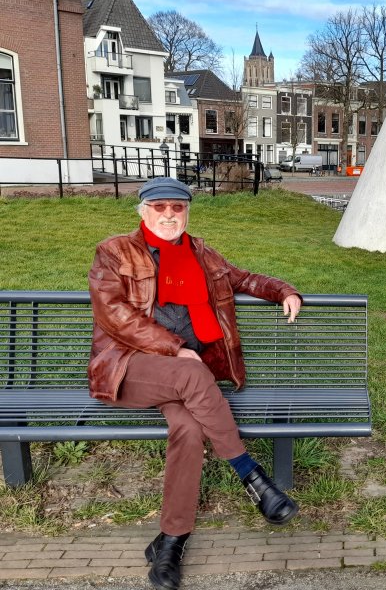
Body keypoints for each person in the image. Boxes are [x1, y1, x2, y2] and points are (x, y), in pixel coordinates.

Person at [87, 177, 302, 590]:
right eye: (160, 206)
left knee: (187, 428)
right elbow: (113, 313)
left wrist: (284, 291)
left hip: (186, 380)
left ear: (187, 211)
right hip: (129, 367)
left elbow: (244, 279)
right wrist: (173, 348)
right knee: (191, 370)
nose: (169, 214)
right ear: (143, 210)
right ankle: (250, 475)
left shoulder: (201, 253)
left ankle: (171, 542)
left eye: (177, 207)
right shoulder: (114, 251)